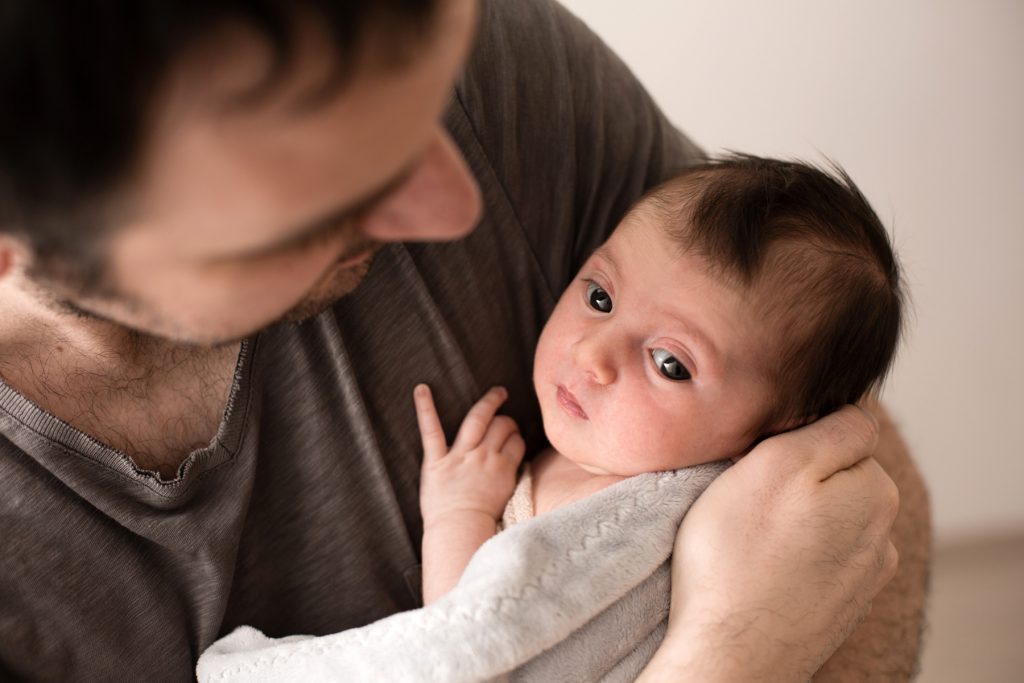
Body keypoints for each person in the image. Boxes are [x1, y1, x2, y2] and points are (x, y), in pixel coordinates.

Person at [0, 1, 928, 681]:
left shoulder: (476, 53)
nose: (457, 201)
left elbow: (848, 475)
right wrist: (734, 657)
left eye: (431, 101)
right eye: (328, 180)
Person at [418, 154, 906, 608]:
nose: (592, 354)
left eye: (669, 363)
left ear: (775, 433)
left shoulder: (622, 524)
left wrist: (458, 514)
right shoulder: (607, 466)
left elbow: (465, 643)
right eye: (600, 298)